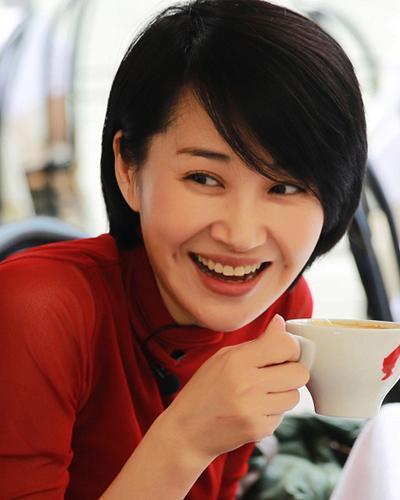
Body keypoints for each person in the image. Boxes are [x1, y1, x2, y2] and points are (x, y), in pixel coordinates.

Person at [0, 0, 367, 498]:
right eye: (203, 178)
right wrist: (187, 438)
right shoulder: (33, 312)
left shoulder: (278, 309)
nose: (241, 236)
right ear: (129, 169)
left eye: (284, 187)